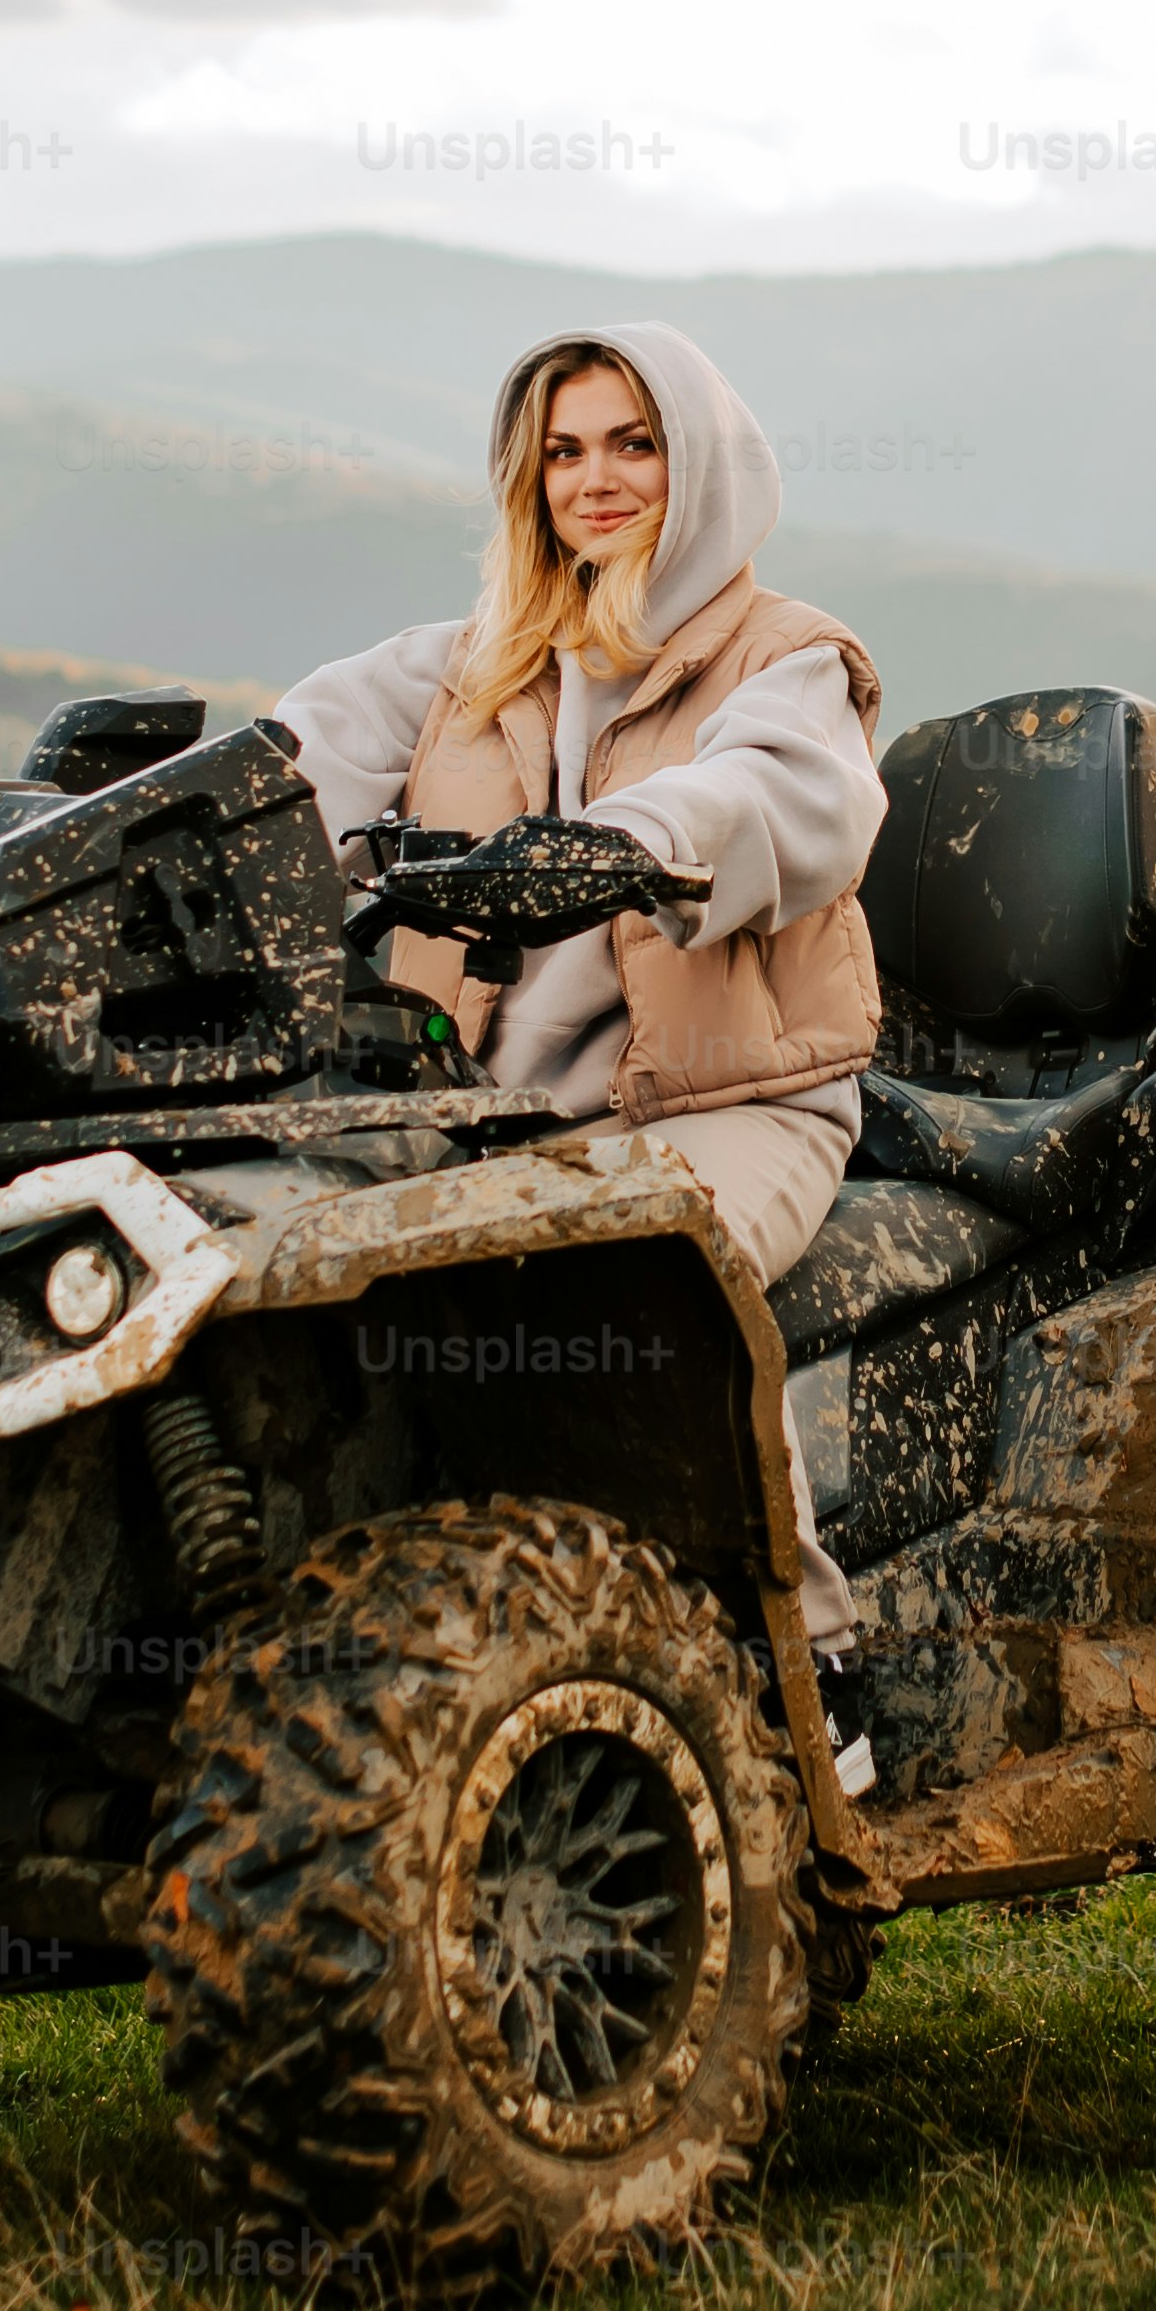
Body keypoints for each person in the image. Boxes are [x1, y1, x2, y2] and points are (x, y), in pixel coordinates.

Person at [272, 324, 888, 1667]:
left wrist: (626, 839)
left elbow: (794, 794)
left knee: (648, 1268)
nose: (593, 479)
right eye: (563, 451)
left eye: (633, 443)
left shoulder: (786, 658)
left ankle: (812, 1668)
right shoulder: (467, 664)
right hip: (487, 1112)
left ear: (700, 465)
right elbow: (281, 766)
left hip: (736, 1101)